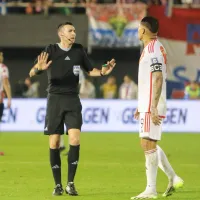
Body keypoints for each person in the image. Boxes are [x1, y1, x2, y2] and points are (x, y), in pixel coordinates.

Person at [29, 22, 116, 196]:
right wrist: (39, 69)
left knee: (75, 140)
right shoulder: (51, 50)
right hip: (54, 99)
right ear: (61, 34)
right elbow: (32, 72)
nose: (73, 33)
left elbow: (90, 70)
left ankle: (70, 183)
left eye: (75, 30)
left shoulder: (78, 50)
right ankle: (57, 185)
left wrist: (103, 72)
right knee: (54, 142)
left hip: (72, 100)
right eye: (70, 30)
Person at [131, 16, 184, 199]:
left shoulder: (153, 49)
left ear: (144, 30)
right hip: (147, 103)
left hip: (152, 105)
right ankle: (172, 177)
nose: (138, 31)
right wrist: (141, 104)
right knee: (147, 142)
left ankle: (151, 189)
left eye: (138, 28)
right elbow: (148, 79)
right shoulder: (151, 48)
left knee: (148, 143)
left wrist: (152, 106)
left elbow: (158, 77)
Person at [0, 50, 12, 156]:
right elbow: (5, 83)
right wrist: (9, 98)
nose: (2, 56)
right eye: (1, 55)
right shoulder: (3, 68)